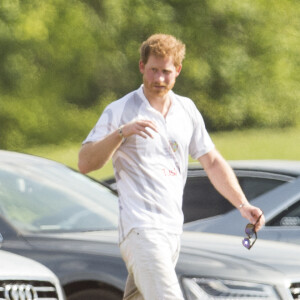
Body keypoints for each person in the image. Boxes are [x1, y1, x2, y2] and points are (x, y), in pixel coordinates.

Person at [78, 33, 265, 300]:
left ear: (177, 70)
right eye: (153, 70)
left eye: (165, 71)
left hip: (172, 231)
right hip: (140, 229)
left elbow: (211, 161)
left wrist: (243, 204)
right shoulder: (120, 110)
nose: (159, 79)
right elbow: (85, 162)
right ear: (142, 67)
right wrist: (121, 133)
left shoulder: (186, 110)